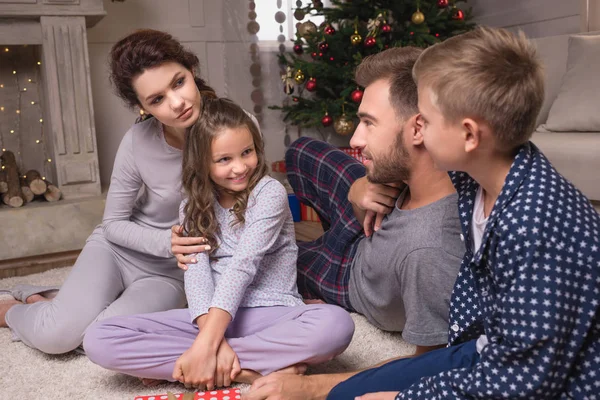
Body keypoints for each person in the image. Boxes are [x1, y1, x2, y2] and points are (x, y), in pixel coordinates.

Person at [246, 26, 600, 400]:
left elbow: (523, 380)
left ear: (468, 135)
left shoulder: (530, 226)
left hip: (541, 377)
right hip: (485, 345)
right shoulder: (483, 175)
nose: (419, 132)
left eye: (426, 122)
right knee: (350, 390)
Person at [83, 97, 355, 391]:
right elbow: (196, 274)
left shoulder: (269, 193)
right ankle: (246, 370)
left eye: (247, 152)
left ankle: (196, 364)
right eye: (224, 159)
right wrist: (210, 339)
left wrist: (205, 345)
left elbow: (243, 267)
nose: (240, 167)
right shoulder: (191, 205)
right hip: (207, 319)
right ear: (202, 163)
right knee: (99, 338)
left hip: (272, 314)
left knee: (336, 325)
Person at [241, 46, 465, 400]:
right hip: (377, 207)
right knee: (301, 152)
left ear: (418, 129)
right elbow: (306, 157)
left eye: (369, 123)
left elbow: (427, 368)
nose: (356, 139)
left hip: (350, 275)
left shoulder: (430, 251)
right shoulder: (420, 172)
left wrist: (311, 387)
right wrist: (360, 189)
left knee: (266, 261)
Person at [0, 29, 217, 354]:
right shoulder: (137, 141)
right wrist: (165, 242)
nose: (177, 103)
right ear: (142, 107)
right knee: (56, 338)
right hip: (117, 252)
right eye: (156, 99)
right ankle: (13, 311)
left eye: (178, 82)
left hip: (169, 276)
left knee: (100, 339)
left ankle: (53, 300)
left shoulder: (235, 129)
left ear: (192, 71)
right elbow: (113, 223)